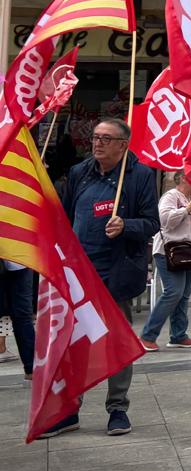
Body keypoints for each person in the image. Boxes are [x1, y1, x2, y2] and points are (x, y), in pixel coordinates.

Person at [40, 119, 157, 437]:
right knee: (73, 342)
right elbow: (63, 217)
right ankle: (70, 409)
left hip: (115, 272)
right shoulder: (80, 172)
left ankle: (117, 408)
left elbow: (151, 222)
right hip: (78, 274)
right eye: (95, 137)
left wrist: (126, 226)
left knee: (116, 343)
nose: (98, 143)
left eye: (106, 138)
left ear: (123, 144)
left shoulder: (140, 176)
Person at [140, 172, 191, 349]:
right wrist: (186, 210)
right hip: (169, 251)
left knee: (184, 295)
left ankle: (178, 335)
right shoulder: (170, 196)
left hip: (190, 250)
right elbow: (164, 220)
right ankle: (148, 335)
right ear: (182, 179)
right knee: (173, 292)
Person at [0, 261, 36, 374]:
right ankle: (32, 368)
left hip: (20, 260)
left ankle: (32, 368)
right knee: (23, 316)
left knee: (23, 316)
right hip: (19, 259)